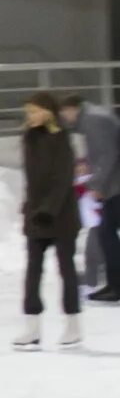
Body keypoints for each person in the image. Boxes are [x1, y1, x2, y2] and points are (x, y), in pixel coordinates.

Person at [16, 92, 85, 349]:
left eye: (34, 112)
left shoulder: (61, 139)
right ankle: (32, 327)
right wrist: (29, 205)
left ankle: (73, 325)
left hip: (62, 216)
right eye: (28, 112)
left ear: (47, 112)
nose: (30, 117)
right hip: (37, 217)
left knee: (66, 269)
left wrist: (48, 209)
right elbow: (33, 179)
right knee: (33, 271)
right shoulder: (28, 138)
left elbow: (62, 180)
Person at [78, 95, 120, 303]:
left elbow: (109, 155)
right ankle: (114, 285)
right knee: (105, 233)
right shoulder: (103, 120)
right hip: (113, 186)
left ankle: (115, 286)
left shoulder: (97, 120)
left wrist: (98, 184)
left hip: (114, 187)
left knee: (106, 233)